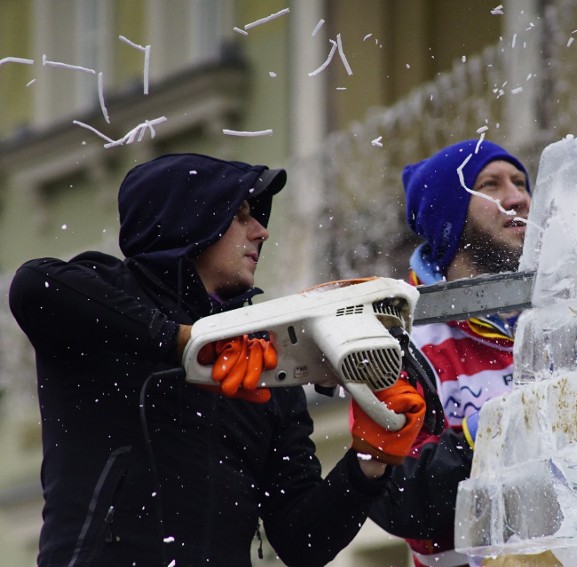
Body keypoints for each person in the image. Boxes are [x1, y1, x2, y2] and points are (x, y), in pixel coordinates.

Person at [8, 153, 425, 567]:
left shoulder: (265, 361)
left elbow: (302, 542)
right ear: (190, 217)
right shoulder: (109, 297)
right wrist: (184, 341)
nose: (261, 231)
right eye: (240, 215)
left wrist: (370, 461)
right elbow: (35, 285)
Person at [369, 139, 531, 567]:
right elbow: (399, 500)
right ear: (449, 216)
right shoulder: (399, 339)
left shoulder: (568, 316)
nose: (518, 198)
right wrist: (490, 432)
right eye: (490, 185)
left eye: (519, 182)